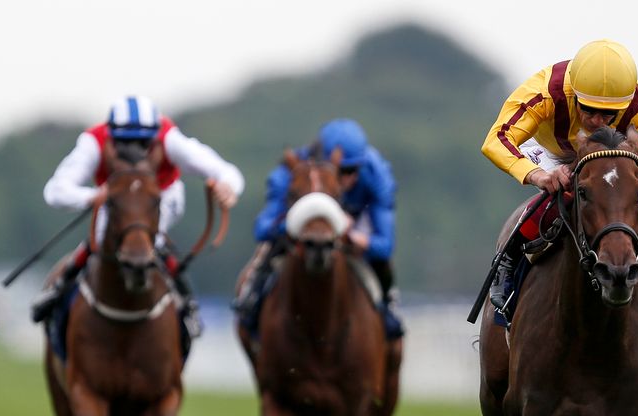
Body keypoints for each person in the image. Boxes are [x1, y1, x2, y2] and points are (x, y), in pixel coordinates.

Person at [481, 39, 638, 317]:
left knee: (627, 190)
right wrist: (537, 175)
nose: (596, 121)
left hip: (608, 155)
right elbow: (496, 140)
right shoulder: (545, 91)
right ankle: (508, 260)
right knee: (567, 190)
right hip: (551, 151)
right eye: (588, 109)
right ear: (574, 94)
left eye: (608, 113)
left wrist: (636, 194)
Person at [30, 95, 244, 348]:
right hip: (115, 201)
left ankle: (187, 305)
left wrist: (228, 188)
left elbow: (227, 171)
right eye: (124, 145)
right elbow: (55, 191)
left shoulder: (171, 139)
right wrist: (96, 196)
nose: (135, 153)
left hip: (162, 197)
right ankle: (58, 290)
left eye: (144, 144)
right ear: (110, 139)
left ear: (155, 138)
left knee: (149, 243)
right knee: (100, 239)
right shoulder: (93, 142)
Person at [234, 118, 404, 339]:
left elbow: (385, 245)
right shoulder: (291, 170)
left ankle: (387, 311)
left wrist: (352, 235)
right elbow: (262, 229)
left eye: (354, 170)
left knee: (381, 262)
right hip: (303, 231)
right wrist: (298, 222)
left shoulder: (377, 175)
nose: (349, 178)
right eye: (342, 171)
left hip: (355, 224)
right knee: (267, 250)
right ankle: (252, 304)